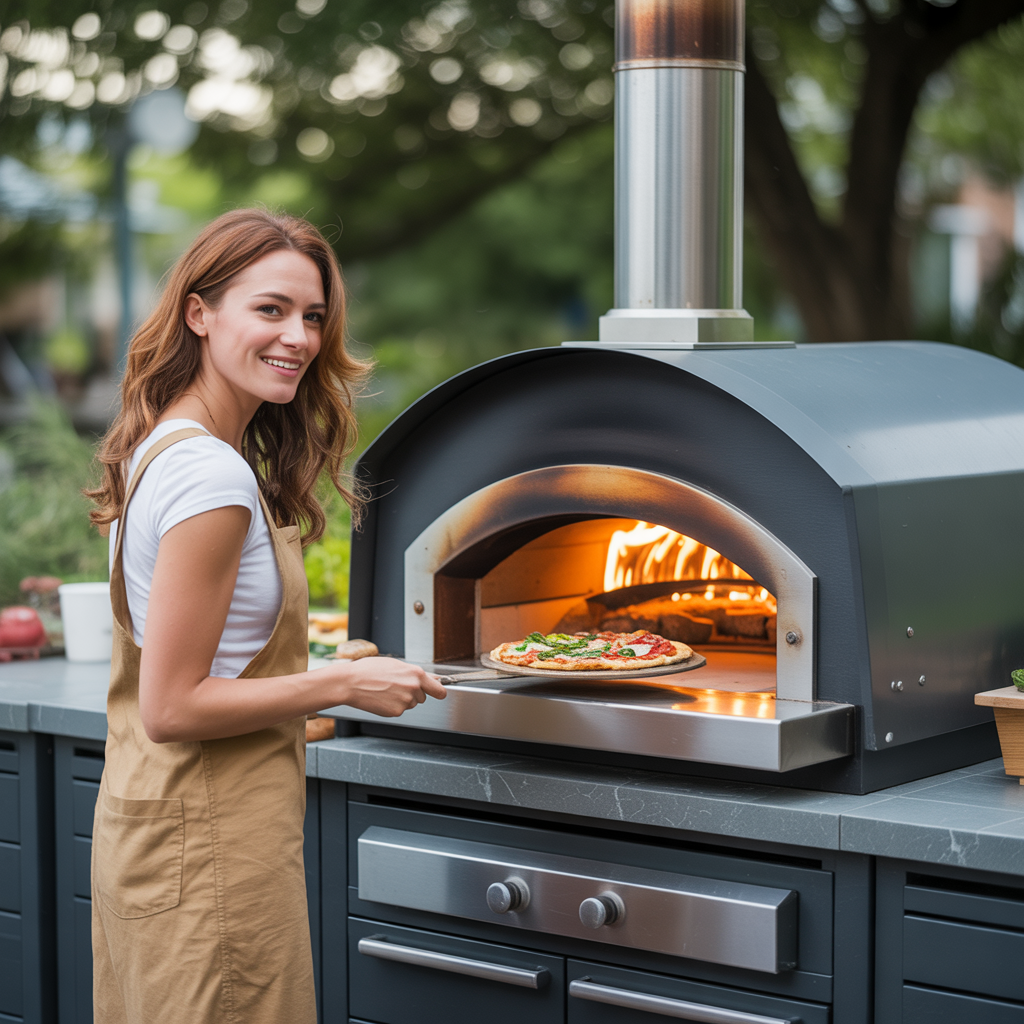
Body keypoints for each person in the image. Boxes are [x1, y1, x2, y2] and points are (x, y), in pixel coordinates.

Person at [86, 208, 446, 1023]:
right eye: (271, 309)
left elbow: (199, 674)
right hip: (212, 855)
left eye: (313, 316)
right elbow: (174, 706)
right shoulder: (209, 478)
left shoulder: (165, 447)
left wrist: (307, 691)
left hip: (160, 838)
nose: (300, 337)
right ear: (199, 313)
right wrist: (337, 688)